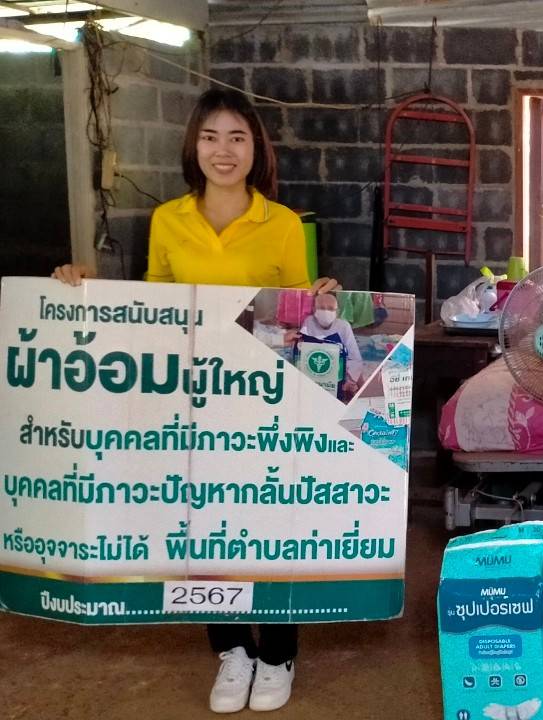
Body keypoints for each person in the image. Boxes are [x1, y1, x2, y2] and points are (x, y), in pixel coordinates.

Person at [53, 87, 341, 714]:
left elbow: (296, 315)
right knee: (205, 527)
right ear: (194, 146)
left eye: (237, 137)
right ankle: (232, 650)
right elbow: (154, 304)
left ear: (256, 148)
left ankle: (278, 652)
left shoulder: (282, 223)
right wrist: (83, 290)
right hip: (190, 405)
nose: (223, 150)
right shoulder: (168, 219)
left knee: (271, 524)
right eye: (210, 137)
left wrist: (321, 295)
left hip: (260, 404)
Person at [297, 291, 365, 399]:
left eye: (330, 308)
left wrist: (350, 380)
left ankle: (362, 396)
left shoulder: (344, 326)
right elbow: (301, 350)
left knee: (358, 375)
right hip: (315, 366)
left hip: (339, 370)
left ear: (337, 312)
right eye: (321, 308)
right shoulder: (309, 322)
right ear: (314, 310)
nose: (326, 312)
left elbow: (354, 357)